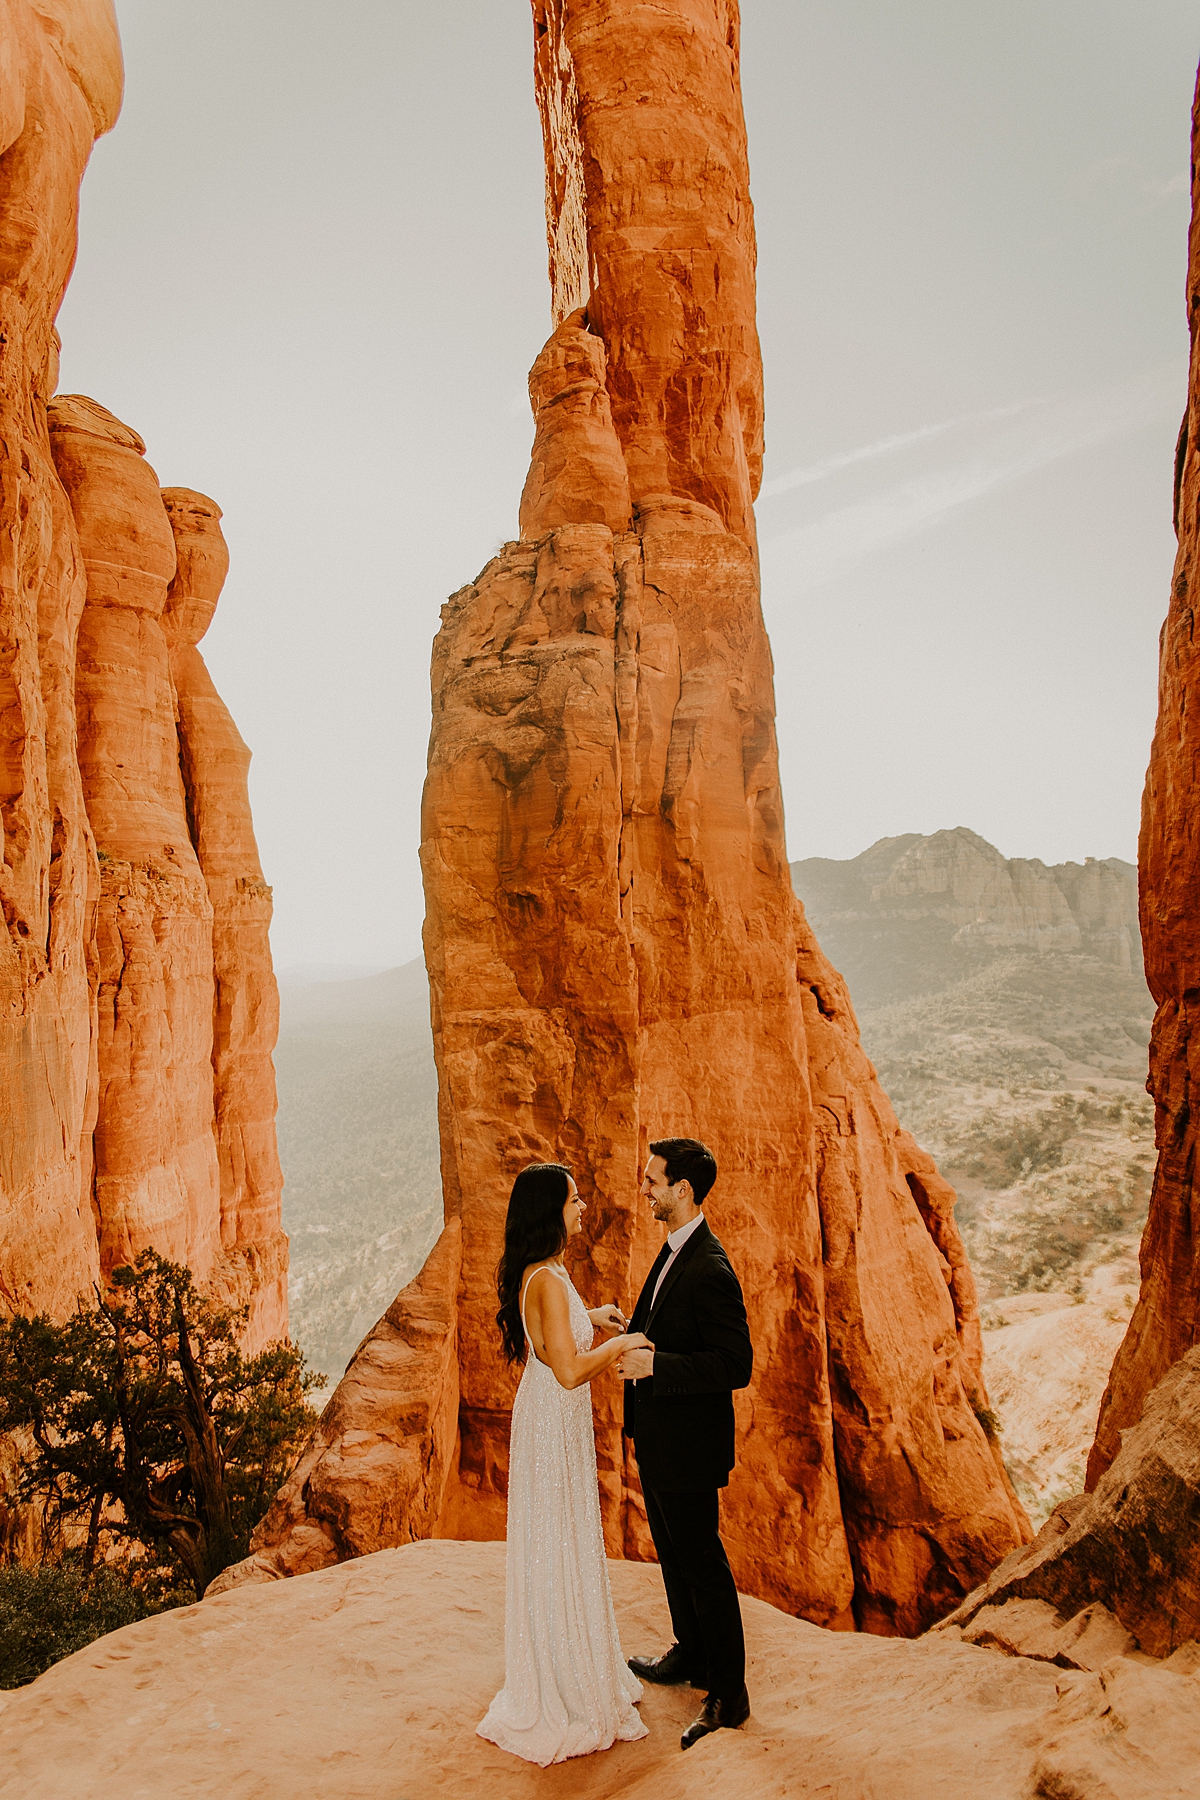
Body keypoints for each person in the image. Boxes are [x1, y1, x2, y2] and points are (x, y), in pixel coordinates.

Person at [477, 1161, 653, 1766]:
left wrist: (592, 1318)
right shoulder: (548, 1279)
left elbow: (556, 1340)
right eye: (574, 1199)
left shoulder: (547, 1270)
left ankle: (565, 1662)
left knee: (559, 1539)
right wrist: (619, 1344)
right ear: (550, 1210)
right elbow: (571, 1371)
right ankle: (567, 1684)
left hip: (551, 1419)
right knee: (559, 1540)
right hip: (553, 1421)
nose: (582, 1207)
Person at [617, 1137, 754, 1751]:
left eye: (653, 1181)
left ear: (683, 1190)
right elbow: (669, 1326)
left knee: (702, 1563)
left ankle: (729, 1694)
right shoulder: (677, 1246)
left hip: (690, 1446)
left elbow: (735, 1363)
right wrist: (634, 1333)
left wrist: (657, 1366)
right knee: (673, 1555)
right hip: (659, 1437)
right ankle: (692, 1653)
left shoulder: (710, 1266)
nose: (645, 1189)